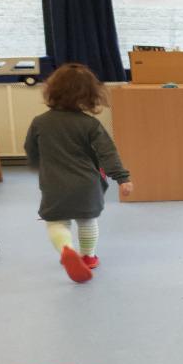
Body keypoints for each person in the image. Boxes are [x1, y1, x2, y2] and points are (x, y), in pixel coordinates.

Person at [24, 63, 133, 283]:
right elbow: (108, 153)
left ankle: (66, 249)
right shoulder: (90, 124)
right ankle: (88, 256)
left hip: (54, 183)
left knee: (57, 222)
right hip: (86, 184)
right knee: (87, 220)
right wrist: (122, 178)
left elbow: (30, 149)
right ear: (90, 95)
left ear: (51, 91)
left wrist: (37, 164)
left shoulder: (40, 122)